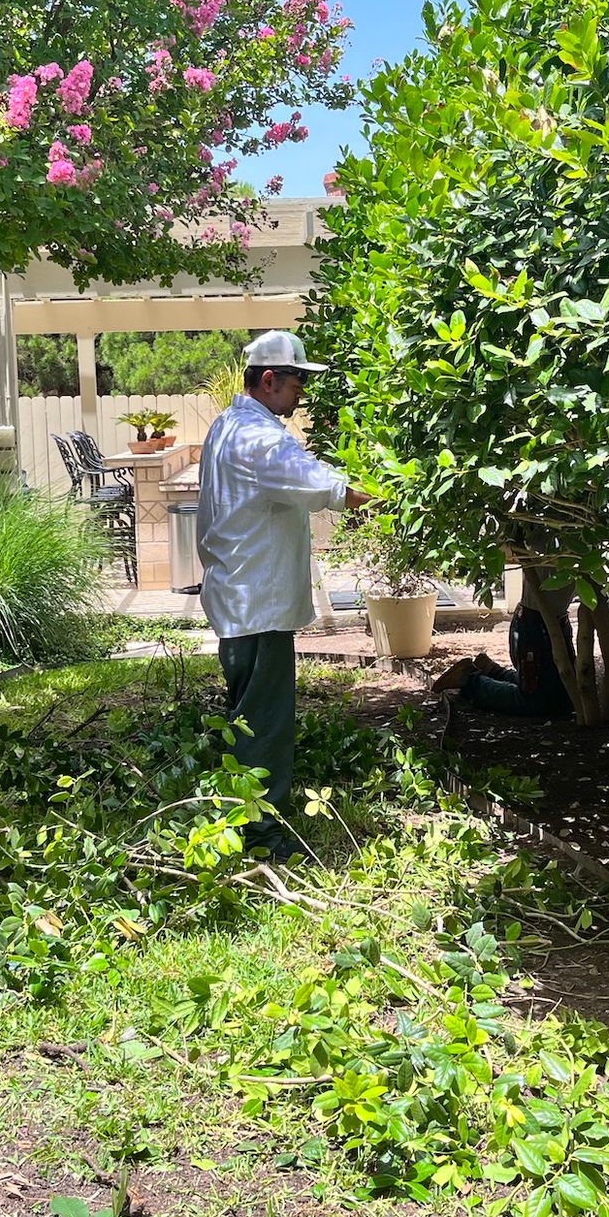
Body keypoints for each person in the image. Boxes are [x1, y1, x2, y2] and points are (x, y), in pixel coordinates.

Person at [197, 330, 370, 858]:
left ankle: (241, 818)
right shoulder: (260, 438)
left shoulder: (229, 425)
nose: (301, 392)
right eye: (297, 380)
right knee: (264, 723)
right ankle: (260, 837)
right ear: (269, 379)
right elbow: (311, 481)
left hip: (241, 597)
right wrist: (365, 493)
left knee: (247, 715)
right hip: (258, 603)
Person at [431, 599, 575, 718]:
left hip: (545, 621)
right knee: (538, 703)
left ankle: (493, 671)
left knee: (565, 696)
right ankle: (470, 681)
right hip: (536, 627)